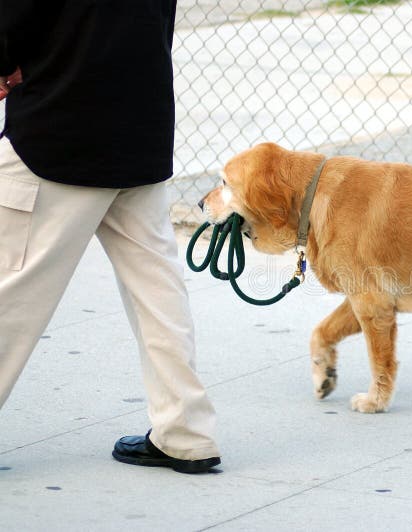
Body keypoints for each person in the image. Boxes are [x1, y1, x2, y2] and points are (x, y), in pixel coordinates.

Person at [0, 0, 221, 473]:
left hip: (57, 131)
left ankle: (185, 432)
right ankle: (186, 433)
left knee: (10, 289)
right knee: (157, 292)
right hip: (140, 129)